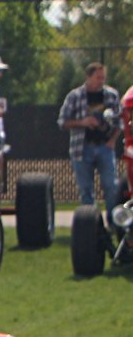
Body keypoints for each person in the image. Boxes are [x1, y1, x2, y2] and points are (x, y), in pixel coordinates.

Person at [58, 61, 123, 221]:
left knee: (111, 185)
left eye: (103, 78)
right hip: (82, 147)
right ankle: (90, 224)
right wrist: (83, 122)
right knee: (86, 189)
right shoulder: (75, 96)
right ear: (88, 77)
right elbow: (62, 122)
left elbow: (120, 121)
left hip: (104, 146)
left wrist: (112, 140)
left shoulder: (111, 95)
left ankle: (113, 221)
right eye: (98, 77)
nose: (101, 81)